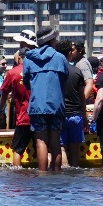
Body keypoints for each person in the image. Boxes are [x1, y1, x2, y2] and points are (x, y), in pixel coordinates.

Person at [23, 27, 69, 172]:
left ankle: (42, 174)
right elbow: (65, 79)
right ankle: (55, 174)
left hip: (37, 105)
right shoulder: (60, 58)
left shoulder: (29, 58)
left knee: (41, 141)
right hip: (56, 106)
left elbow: (26, 83)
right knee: (55, 142)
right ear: (52, 40)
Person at [0, 48, 33, 167]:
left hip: (24, 116)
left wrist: (0, 111)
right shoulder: (38, 70)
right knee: (44, 147)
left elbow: (4, 94)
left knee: (17, 150)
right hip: (41, 115)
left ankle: (16, 174)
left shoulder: (13, 73)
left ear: (18, 58)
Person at [55, 41, 87, 167]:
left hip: (61, 114)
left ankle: (65, 173)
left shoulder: (56, 72)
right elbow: (82, 96)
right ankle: (74, 172)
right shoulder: (77, 71)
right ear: (69, 53)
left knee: (61, 147)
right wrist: (84, 116)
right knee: (74, 148)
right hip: (76, 115)